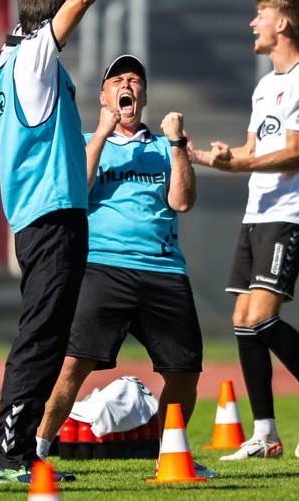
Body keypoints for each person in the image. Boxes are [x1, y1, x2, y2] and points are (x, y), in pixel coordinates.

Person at [0, 0, 131, 484]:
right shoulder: (37, 58)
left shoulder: (9, 55)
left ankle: (18, 450)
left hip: (34, 215)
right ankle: (10, 455)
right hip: (52, 215)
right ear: (47, 26)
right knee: (42, 337)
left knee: (44, 333)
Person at [32, 54, 217, 477]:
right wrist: (102, 130)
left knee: (184, 371)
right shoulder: (83, 140)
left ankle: (168, 455)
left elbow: (183, 202)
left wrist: (176, 145)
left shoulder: (164, 147)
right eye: (117, 80)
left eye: (134, 79)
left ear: (144, 95)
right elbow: (78, 187)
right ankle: (37, 453)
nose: (126, 85)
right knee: (72, 365)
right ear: (104, 95)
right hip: (103, 268)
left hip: (164, 270)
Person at [189, 0, 299, 460]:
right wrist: (199, 157)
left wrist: (238, 166)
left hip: (291, 213)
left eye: (260, 16)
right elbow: (249, 152)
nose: (252, 24)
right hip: (257, 213)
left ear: (284, 24)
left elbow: (296, 154)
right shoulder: (264, 85)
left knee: (260, 317)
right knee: (242, 320)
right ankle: (265, 433)